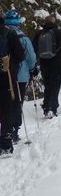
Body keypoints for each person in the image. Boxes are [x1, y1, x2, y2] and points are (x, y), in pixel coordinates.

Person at [4, 10, 36, 143]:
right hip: (20, 76)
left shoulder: (3, 35)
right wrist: (32, 68)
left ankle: (6, 130)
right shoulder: (22, 37)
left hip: (4, 75)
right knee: (17, 103)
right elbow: (30, 56)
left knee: (6, 104)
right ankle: (14, 130)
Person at [33, 16, 61, 119]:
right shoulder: (59, 32)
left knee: (47, 85)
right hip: (56, 63)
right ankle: (52, 108)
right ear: (54, 22)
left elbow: (34, 48)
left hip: (44, 63)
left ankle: (46, 107)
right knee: (55, 85)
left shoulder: (39, 34)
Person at [0, 17, 25, 154]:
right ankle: (6, 143)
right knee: (7, 109)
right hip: (7, 76)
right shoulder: (9, 33)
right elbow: (21, 55)